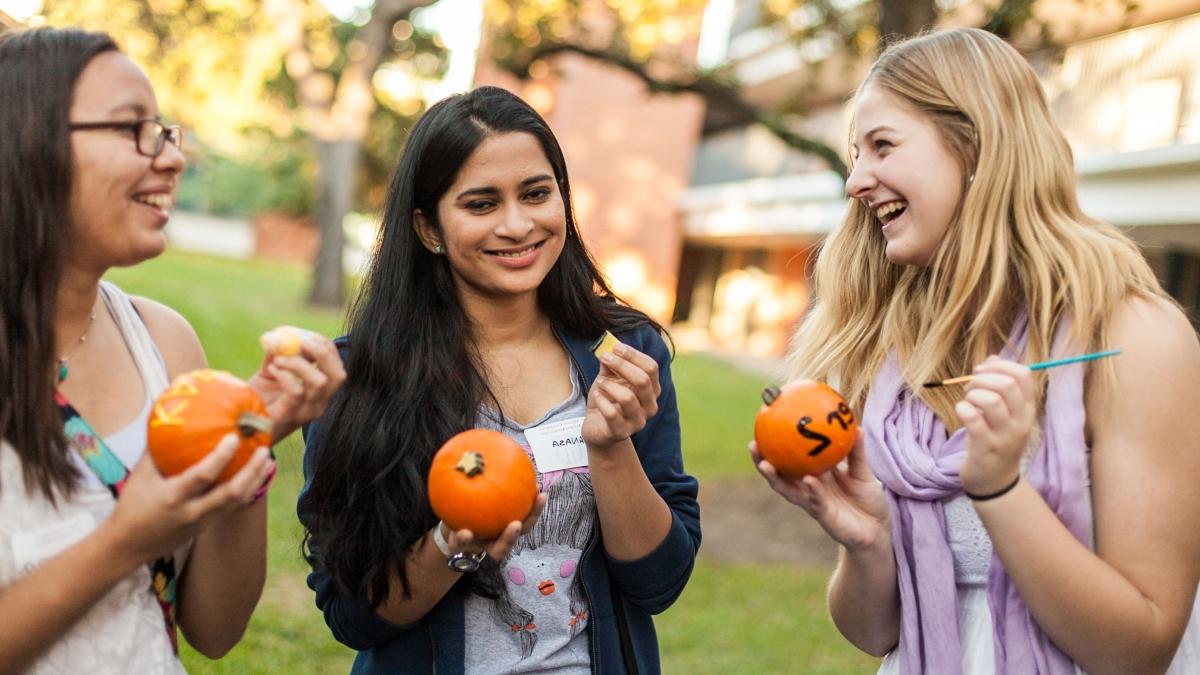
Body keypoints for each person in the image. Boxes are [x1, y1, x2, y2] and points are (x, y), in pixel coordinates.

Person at [753, 27, 1200, 675]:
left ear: (977, 145)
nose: (855, 182)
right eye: (856, 154)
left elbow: (1140, 649)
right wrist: (867, 541)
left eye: (882, 145)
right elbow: (876, 634)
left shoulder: (1133, 338)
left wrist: (1001, 488)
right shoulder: (889, 346)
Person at [298, 85, 700, 674]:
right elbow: (354, 615)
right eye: (481, 204)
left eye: (536, 194)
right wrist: (451, 546)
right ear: (429, 228)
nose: (517, 225)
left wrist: (611, 448)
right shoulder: (359, 378)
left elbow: (658, 584)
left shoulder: (626, 353)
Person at [0, 27, 345, 674]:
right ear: (28, 140)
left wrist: (251, 436)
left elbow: (214, 627)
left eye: (163, 129)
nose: (171, 157)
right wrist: (125, 540)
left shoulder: (164, 340)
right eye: (132, 129)